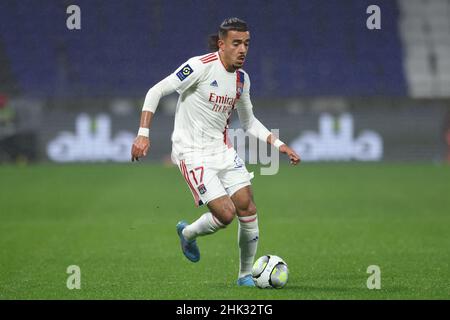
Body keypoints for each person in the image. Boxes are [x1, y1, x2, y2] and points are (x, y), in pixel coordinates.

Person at [131, 17, 300, 287]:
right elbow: (156, 91)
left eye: (246, 43)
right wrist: (143, 134)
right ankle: (187, 234)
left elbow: (249, 122)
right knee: (225, 214)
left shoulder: (242, 80)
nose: (242, 49)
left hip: (222, 150)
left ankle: (245, 275)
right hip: (191, 151)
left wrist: (279, 145)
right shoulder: (200, 67)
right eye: (236, 43)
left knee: (247, 205)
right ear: (221, 45)